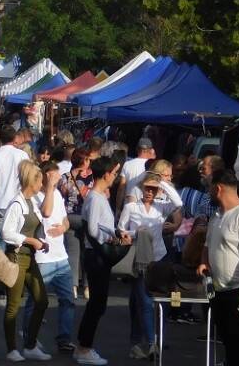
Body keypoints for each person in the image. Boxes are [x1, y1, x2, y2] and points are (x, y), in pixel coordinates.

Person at [197, 169, 239, 366]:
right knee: (228, 342)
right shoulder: (217, 215)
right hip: (220, 291)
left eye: (210, 188)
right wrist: (204, 262)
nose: (208, 192)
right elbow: (207, 245)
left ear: (218, 188)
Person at [75, 156, 131, 366]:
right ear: (106, 174)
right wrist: (113, 237)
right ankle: (84, 348)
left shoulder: (96, 196)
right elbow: (92, 229)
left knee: (97, 304)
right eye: (114, 173)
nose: (115, 177)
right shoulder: (96, 197)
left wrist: (115, 233)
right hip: (97, 255)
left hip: (95, 255)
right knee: (97, 304)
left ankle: (83, 347)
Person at [117, 172, 177, 359]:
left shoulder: (161, 207)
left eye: (153, 189)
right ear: (141, 188)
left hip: (159, 257)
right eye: (147, 188)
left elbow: (178, 203)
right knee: (143, 301)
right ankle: (150, 343)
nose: (149, 192)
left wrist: (162, 183)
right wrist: (136, 233)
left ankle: (143, 342)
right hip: (140, 259)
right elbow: (120, 229)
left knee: (155, 301)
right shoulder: (131, 207)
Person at [22, 160, 76, 354]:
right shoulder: (36, 197)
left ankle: (64, 338)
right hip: (43, 258)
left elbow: (65, 221)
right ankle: (29, 336)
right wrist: (51, 187)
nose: (56, 178)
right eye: (52, 176)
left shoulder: (59, 195)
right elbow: (46, 212)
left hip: (60, 257)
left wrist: (63, 227)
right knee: (36, 301)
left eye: (57, 175)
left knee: (68, 300)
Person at [0, 160, 52, 362]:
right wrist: (30, 240)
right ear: (33, 181)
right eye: (41, 181)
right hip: (16, 258)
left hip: (30, 258)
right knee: (13, 305)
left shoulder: (32, 201)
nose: (42, 185)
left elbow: (39, 222)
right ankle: (12, 349)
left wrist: (40, 241)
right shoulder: (17, 203)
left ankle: (30, 344)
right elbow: (6, 233)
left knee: (42, 301)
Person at [0, 125, 30, 294]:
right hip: (18, 203)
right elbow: (28, 178)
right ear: (15, 138)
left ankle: (2, 284)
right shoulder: (23, 155)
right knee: (17, 242)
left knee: (1, 245)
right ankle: (17, 282)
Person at [59, 147, 92, 299]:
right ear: (84, 161)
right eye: (88, 159)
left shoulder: (65, 177)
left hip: (70, 217)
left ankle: (72, 286)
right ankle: (87, 287)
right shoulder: (92, 177)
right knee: (87, 251)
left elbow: (62, 196)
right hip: (86, 216)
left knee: (72, 252)